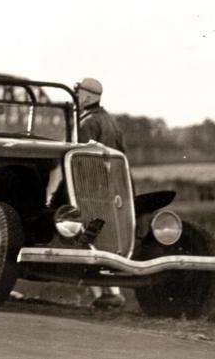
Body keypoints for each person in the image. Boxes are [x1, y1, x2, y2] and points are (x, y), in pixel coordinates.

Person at [76, 76, 127, 309]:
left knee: (84, 238)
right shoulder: (111, 121)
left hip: (90, 190)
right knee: (107, 240)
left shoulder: (87, 123)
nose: (76, 97)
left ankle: (99, 295)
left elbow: (80, 159)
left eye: (78, 93)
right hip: (111, 191)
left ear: (86, 96)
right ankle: (113, 291)